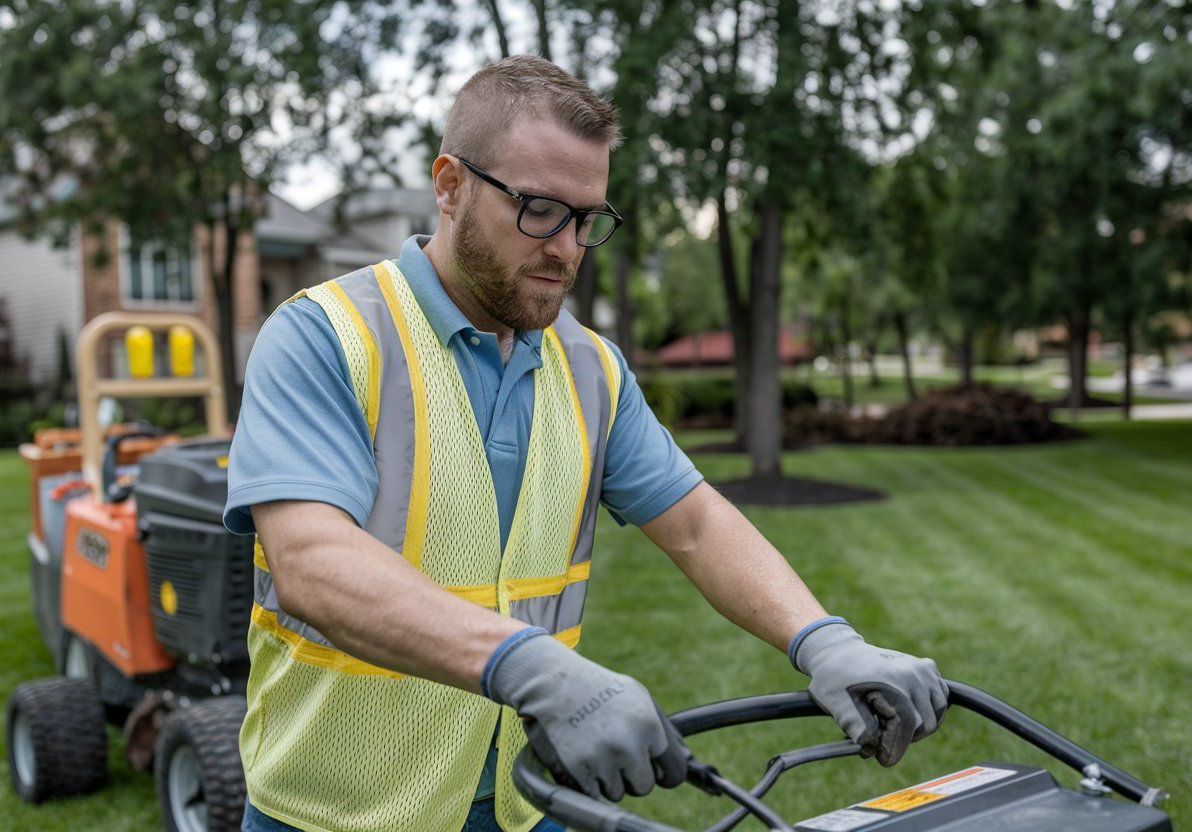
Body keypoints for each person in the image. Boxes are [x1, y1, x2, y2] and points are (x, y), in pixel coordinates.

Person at [222, 55, 948, 832]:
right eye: (538, 209)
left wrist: (823, 640)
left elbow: (698, 525)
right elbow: (312, 565)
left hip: (529, 798)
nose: (566, 247)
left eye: (587, 219)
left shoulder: (591, 367)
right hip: (336, 812)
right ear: (450, 185)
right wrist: (532, 666)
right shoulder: (325, 334)